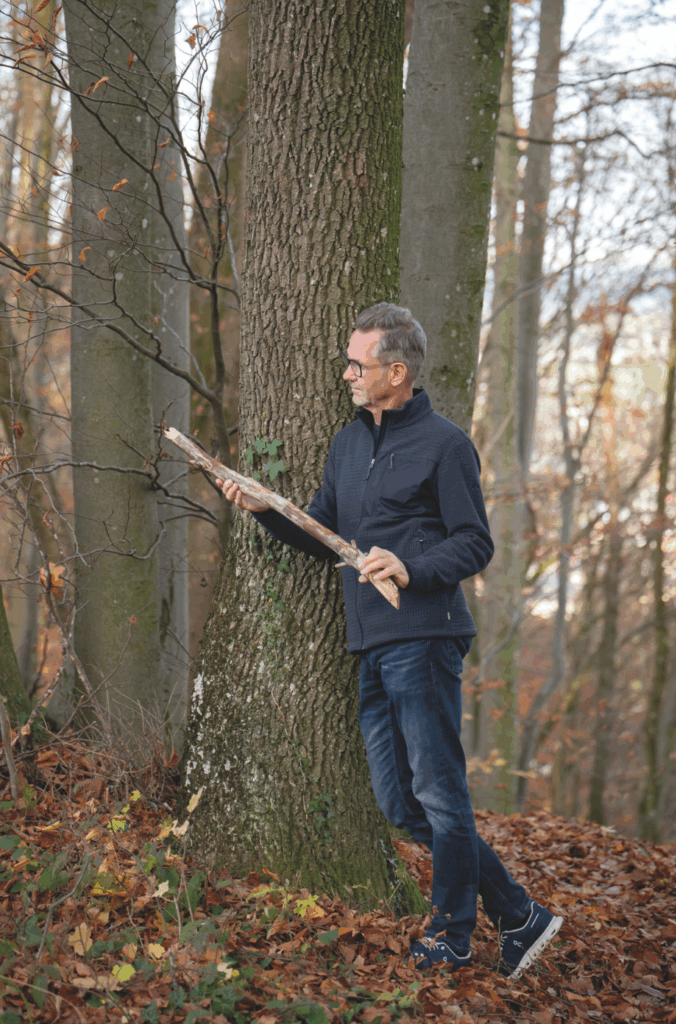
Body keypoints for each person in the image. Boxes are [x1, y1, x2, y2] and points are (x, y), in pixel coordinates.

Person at [216, 303, 562, 977]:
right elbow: (323, 534)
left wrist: (411, 565)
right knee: (401, 804)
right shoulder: (348, 443)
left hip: (426, 635)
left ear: (396, 372)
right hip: (370, 641)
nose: (346, 373)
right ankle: (518, 914)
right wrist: (266, 511)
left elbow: (474, 542)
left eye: (358, 363)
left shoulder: (445, 444)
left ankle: (452, 934)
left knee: (439, 792)